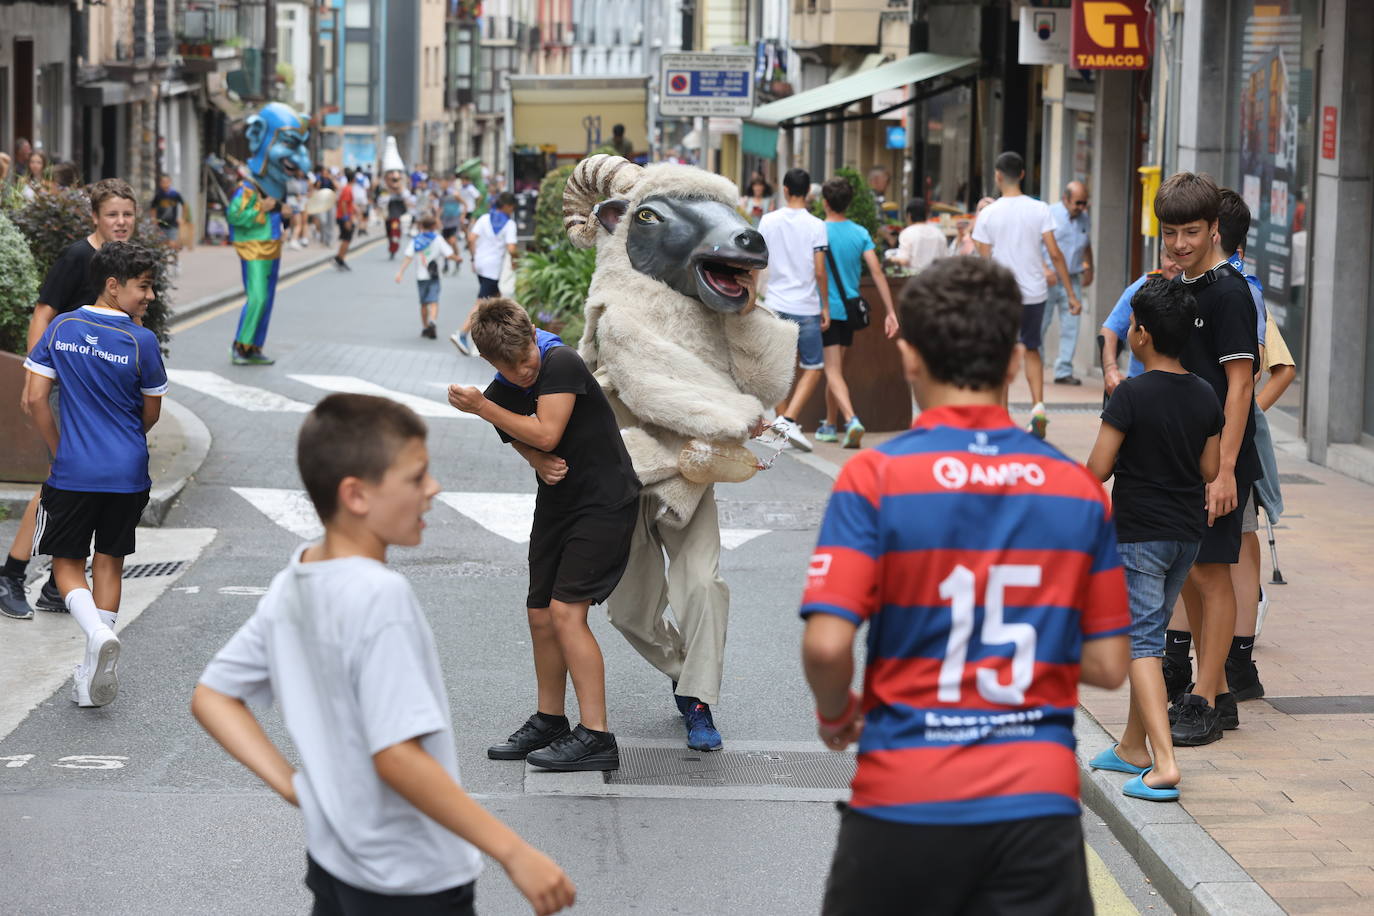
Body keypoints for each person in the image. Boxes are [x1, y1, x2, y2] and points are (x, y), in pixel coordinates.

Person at [802, 255, 1129, 915]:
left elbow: (828, 645)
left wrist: (837, 716)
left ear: (910, 357)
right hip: (1036, 806)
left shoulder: (875, 478)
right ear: (1012, 362)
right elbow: (1109, 664)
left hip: (904, 798)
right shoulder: (1078, 490)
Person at [192, 393, 576, 915]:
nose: (433, 488)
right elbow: (395, 755)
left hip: (336, 860)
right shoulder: (379, 595)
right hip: (412, 876)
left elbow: (213, 696)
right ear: (356, 495)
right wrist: (514, 852)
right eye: (416, 477)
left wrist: (297, 789)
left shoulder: (296, 579)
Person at [447, 298, 640, 771]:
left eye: (526, 358)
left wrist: (483, 408)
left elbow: (547, 432)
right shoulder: (506, 382)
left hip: (604, 501)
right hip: (559, 503)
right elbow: (522, 436)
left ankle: (597, 735)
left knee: (566, 613)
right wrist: (533, 458)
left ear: (533, 334)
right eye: (510, 368)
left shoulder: (560, 361)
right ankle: (550, 719)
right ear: (490, 361)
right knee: (539, 613)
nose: (524, 371)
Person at [1086, 278, 1222, 803]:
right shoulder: (1205, 393)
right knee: (1151, 633)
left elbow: (1098, 467)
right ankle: (1132, 747)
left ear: (1141, 334)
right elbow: (1209, 468)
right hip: (1186, 536)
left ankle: (1164, 765)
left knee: (1141, 644)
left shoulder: (1130, 394)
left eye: (1132, 325)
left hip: (1139, 535)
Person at [20, 242, 167, 704]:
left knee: (65, 564)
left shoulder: (62, 327)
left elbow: (34, 398)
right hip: (128, 473)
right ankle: (89, 677)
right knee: (109, 561)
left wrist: (60, 448)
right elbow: (151, 413)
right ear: (113, 285)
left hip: (74, 471)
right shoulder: (142, 342)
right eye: (144, 286)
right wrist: (123, 441)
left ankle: (97, 634)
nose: (151, 296)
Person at [1153, 172, 1260, 747]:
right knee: (1191, 576)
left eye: (1191, 232)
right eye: (1170, 233)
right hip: (1185, 458)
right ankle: (1214, 692)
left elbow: (1240, 386)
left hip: (1219, 460)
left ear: (1215, 228)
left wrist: (1225, 470)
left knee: (1211, 575)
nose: (1179, 243)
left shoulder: (1229, 293)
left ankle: (1207, 701)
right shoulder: (1185, 286)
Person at [0, 178, 138, 622]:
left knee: (79, 482)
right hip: (67, 387)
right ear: (95, 217)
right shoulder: (79, 257)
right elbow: (44, 313)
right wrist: (34, 378)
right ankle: (11, 574)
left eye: (127, 214)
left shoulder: (124, 263)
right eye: (112, 214)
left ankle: (56, 589)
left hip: (101, 394)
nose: (121, 222)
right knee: (59, 479)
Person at [973, 151, 1080, 439]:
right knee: (1032, 348)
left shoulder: (987, 214)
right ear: (1022, 174)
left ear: (998, 176)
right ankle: (1038, 408)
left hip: (1001, 294)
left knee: (1003, 352)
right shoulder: (1039, 209)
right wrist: (1071, 294)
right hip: (1034, 292)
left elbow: (984, 260)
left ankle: (1003, 418)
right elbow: (1055, 254)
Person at [817, 176, 898, 449]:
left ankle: (851, 420)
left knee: (832, 370)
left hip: (827, 310)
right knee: (836, 370)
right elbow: (877, 271)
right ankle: (829, 424)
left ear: (825, 203)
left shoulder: (817, 231)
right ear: (849, 203)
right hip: (851, 310)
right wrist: (890, 311)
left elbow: (816, 271)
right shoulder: (860, 233)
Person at [757, 167, 829, 452]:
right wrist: (825, 305)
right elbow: (820, 271)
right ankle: (789, 420)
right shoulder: (817, 225)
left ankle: (783, 423)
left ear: (785, 190)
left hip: (775, 302)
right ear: (808, 192)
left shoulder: (768, 221)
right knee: (814, 366)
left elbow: (757, 261)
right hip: (806, 305)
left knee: (778, 367)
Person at [1100, 246, 1182, 393]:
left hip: (1183, 384)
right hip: (1140, 383)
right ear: (1161, 257)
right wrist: (1110, 369)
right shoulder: (1143, 286)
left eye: (1181, 257)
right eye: (1171, 257)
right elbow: (1109, 330)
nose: (1177, 265)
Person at [451, 193, 518, 356]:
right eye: (512, 207)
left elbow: (471, 238)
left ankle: (493, 338)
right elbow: (511, 249)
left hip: (480, 264)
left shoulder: (484, 218)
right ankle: (462, 333)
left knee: (496, 300)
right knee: (482, 302)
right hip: (492, 269)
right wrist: (515, 261)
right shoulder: (509, 224)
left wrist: (474, 257)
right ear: (508, 206)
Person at [1041, 181, 1094, 386]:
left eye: (1084, 203)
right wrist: (1043, 269)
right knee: (1040, 324)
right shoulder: (1049, 213)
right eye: (1078, 203)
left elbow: (1086, 244)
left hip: (1072, 278)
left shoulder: (1084, 218)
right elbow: (1035, 244)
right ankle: (1036, 365)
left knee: (1072, 324)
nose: (1081, 207)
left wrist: (1089, 267)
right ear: (1065, 199)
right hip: (1048, 278)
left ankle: (1063, 370)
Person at [394, 211, 460, 340]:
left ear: (421, 226)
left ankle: (425, 327)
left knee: (424, 303)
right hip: (435, 276)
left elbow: (408, 257)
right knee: (434, 301)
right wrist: (457, 258)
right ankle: (433, 321)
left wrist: (400, 272)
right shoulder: (438, 239)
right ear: (434, 226)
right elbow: (449, 254)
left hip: (421, 277)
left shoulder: (416, 240)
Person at [886, 198, 946, 274]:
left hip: (915, 277)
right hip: (936, 277)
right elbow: (945, 260)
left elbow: (904, 260)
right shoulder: (939, 233)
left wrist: (890, 258)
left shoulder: (907, 232)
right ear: (927, 215)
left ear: (909, 215)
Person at [438, 175, 466, 274]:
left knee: (453, 241)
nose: (441, 184)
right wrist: (437, 219)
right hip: (445, 222)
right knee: (445, 244)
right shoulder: (442, 196)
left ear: (447, 183)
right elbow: (440, 209)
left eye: (442, 182)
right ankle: (446, 263)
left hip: (454, 222)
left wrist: (462, 216)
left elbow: (465, 204)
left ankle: (457, 260)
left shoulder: (454, 194)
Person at [150, 174, 186, 248]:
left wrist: (183, 218)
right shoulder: (158, 195)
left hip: (173, 223)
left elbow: (184, 206)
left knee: (172, 243)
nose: (165, 184)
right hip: (161, 224)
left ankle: (173, 254)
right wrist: (153, 218)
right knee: (162, 244)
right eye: (163, 182)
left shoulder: (175, 194)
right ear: (160, 183)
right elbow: (153, 207)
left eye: (167, 182)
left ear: (170, 182)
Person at [333, 167, 357, 271]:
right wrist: (346, 219)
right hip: (343, 218)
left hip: (345, 217)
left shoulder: (347, 188)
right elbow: (343, 204)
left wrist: (355, 210)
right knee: (346, 239)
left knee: (347, 239)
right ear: (354, 179)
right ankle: (339, 258)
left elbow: (348, 203)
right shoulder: (347, 189)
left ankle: (340, 258)